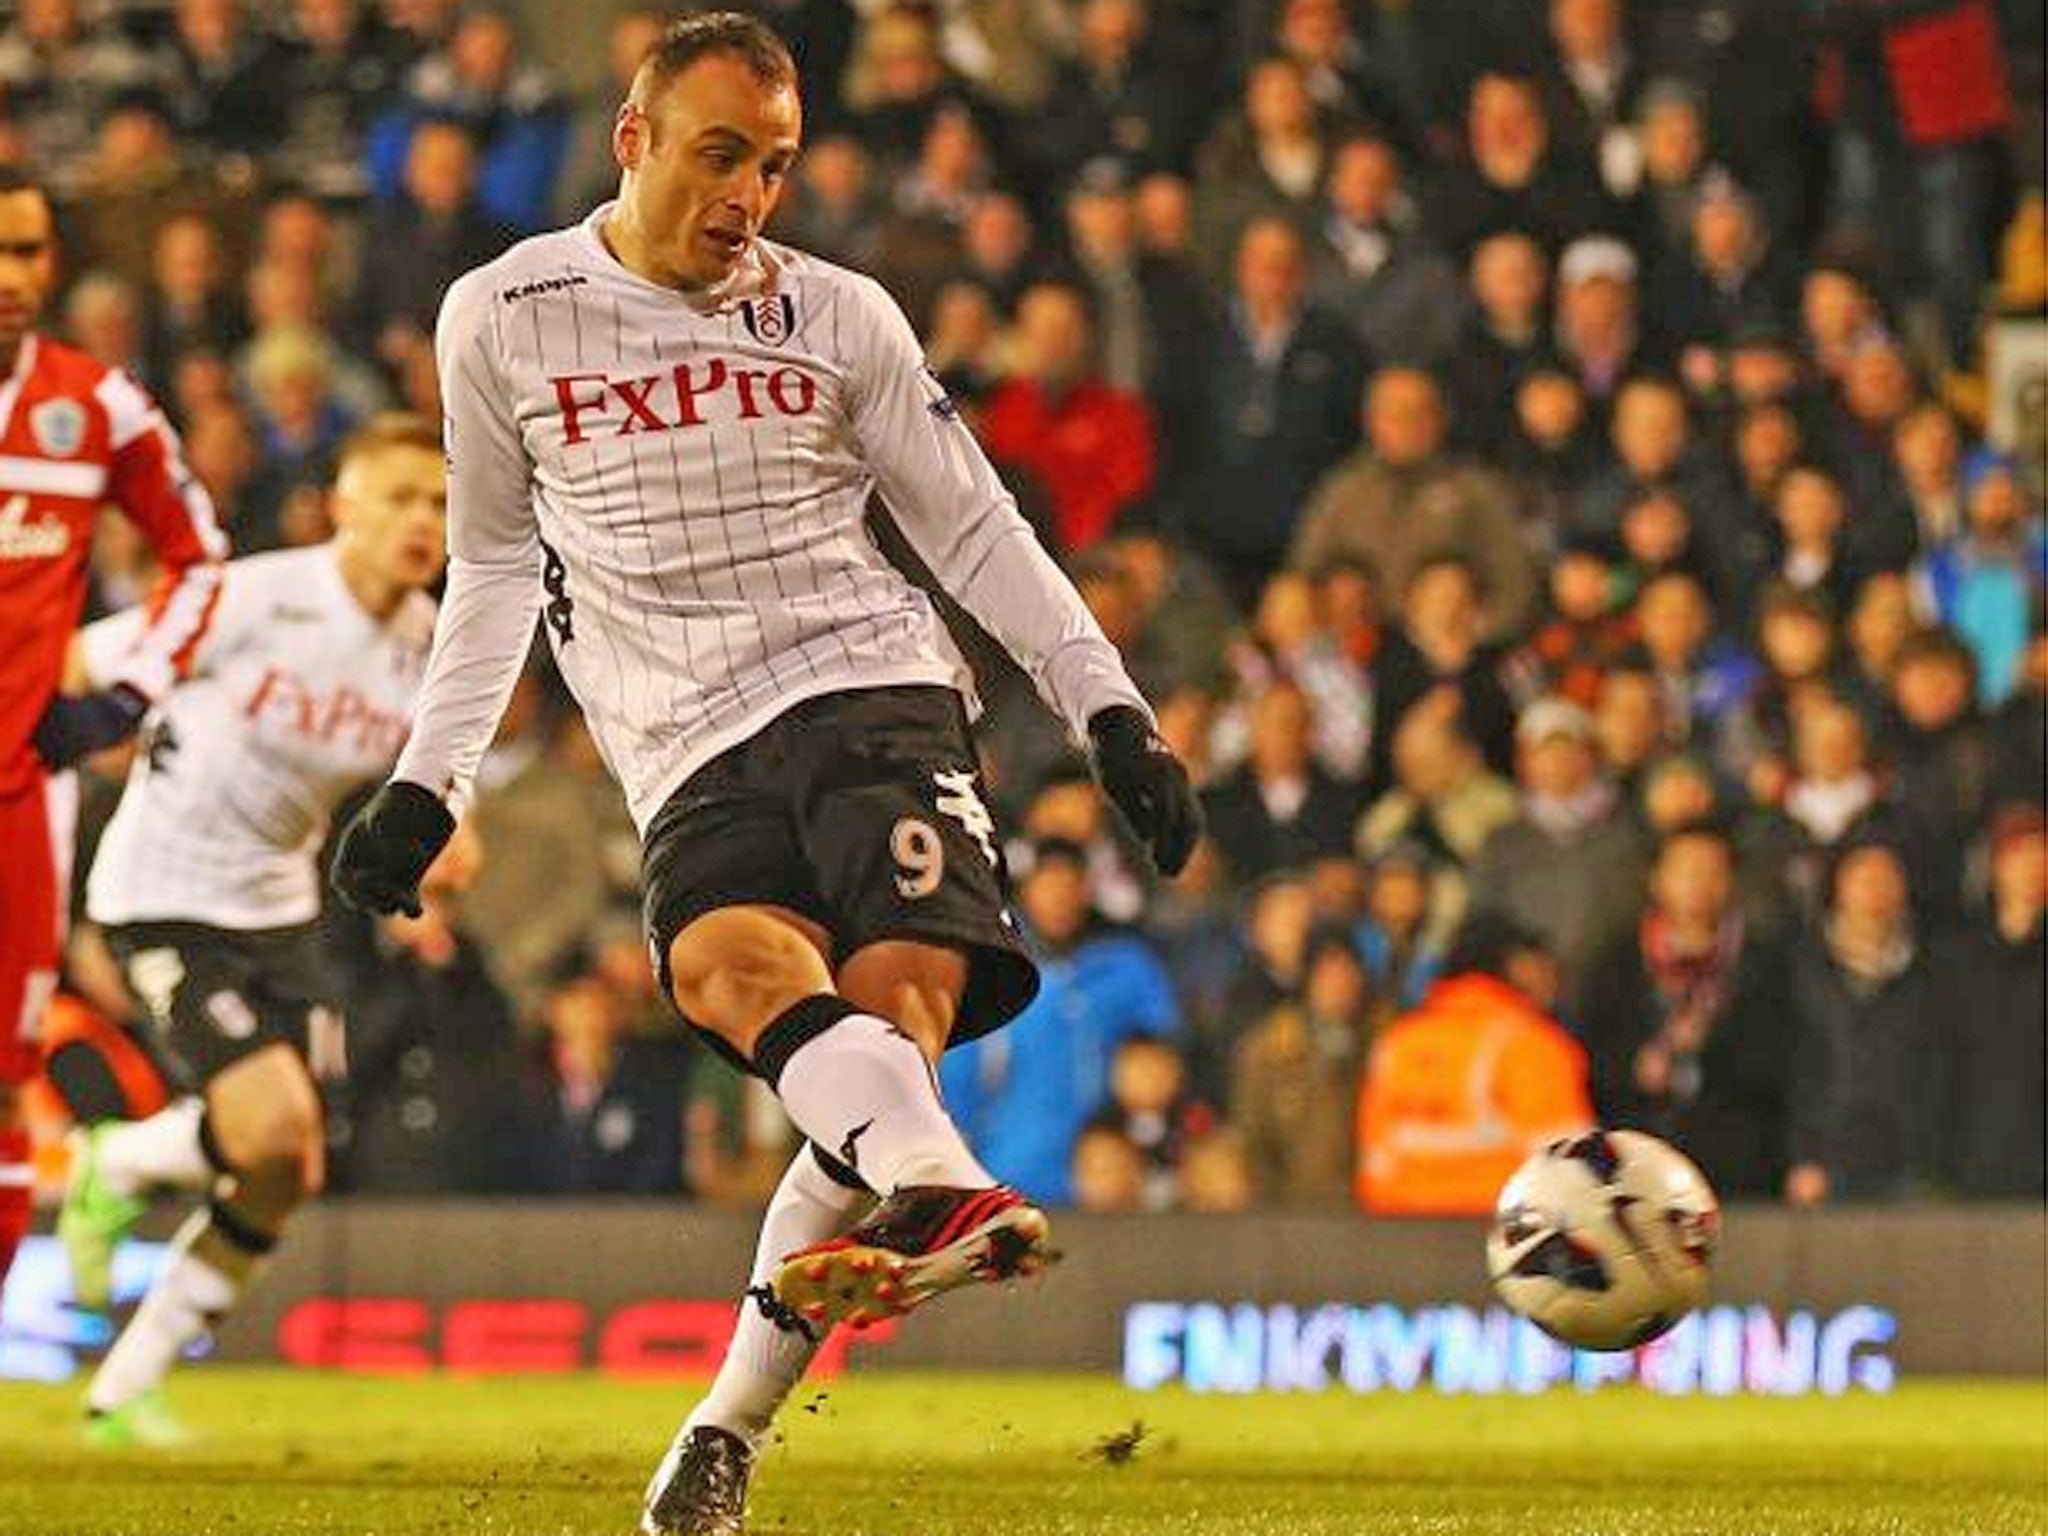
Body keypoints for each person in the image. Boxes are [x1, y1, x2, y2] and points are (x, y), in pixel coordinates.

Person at [323, 17, 1200, 1535]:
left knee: (892, 1013)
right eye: (721, 153)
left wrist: (1111, 712)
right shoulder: (505, 314)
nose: (749, 195)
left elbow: (977, 529)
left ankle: (809, 1330)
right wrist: (430, 780)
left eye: (776, 164)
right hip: (678, 736)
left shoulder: (840, 314)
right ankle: (883, 1240)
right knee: (743, 980)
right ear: (634, 141)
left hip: (872, 688)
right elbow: (487, 567)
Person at [51, 413, 444, 1444]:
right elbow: (83, 663)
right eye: (400, 496)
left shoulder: (429, 648)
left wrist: (449, 853)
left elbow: (437, 781)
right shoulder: (252, 597)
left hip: (280, 911)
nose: (423, 521)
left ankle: (123, 1381)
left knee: (290, 1168)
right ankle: (121, 1166)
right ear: (342, 507)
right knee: (269, 1125)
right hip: (163, 894)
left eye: (441, 503)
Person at [0, 166, 227, 1303]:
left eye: (29, 252)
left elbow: (200, 556)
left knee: (6, 1084)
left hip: (19, 800)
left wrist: (127, 695)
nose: (11, 278)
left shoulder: (97, 407)